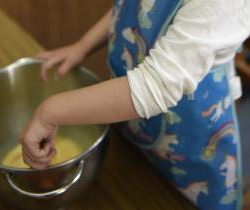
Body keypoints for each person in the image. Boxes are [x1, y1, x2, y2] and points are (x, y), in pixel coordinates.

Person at [20, 0, 250, 209]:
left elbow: (154, 86)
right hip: (134, 125)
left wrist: (48, 112)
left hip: (190, 138)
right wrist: (84, 45)